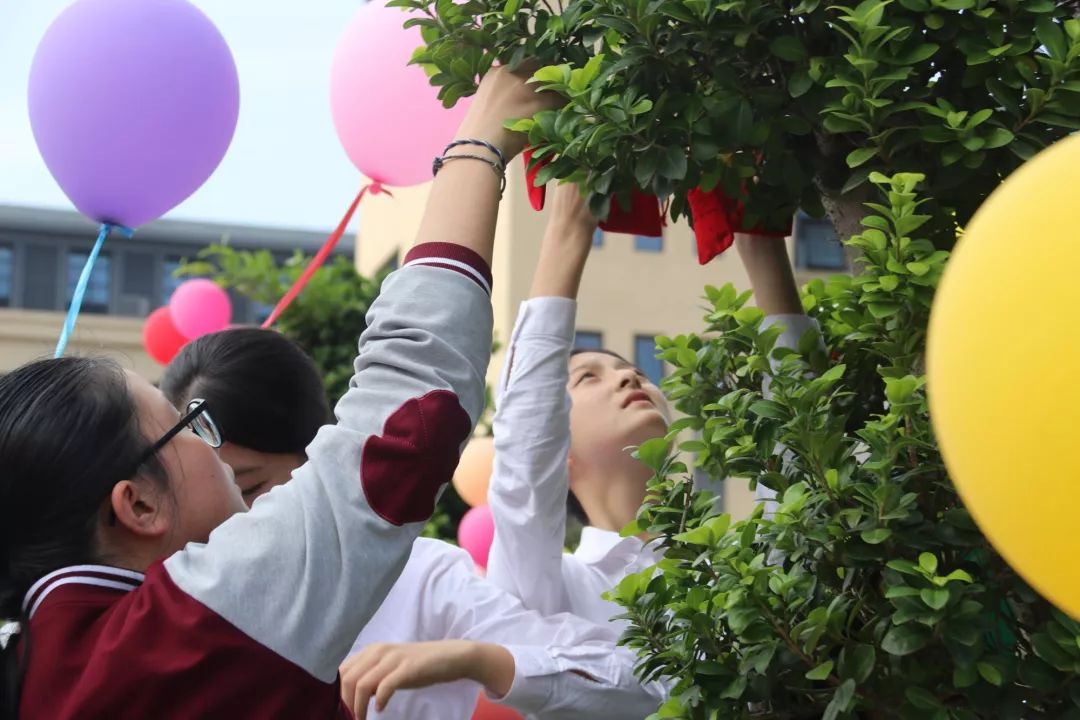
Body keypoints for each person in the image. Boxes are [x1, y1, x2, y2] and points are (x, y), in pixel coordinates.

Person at [0, 66, 565, 719]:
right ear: (139, 504)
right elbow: (409, 414)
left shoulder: (35, 663)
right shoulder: (181, 632)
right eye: (187, 427)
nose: (210, 443)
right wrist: (478, 144)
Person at [160, 326, 666, 720]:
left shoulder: (418, 576)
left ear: (318, 460)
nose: (232, 523)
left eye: (250, 489)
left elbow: (640, 680)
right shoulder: (162, 608)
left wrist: (472, 658)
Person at [485, 182, 818, 626]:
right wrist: (568, 228)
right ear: (557, 447)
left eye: (638, 373)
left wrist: (761, 242)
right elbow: (524, 446)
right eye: (588, 377)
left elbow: (805, 458)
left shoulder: (732, 573)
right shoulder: (548, 588)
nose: (629, 376)